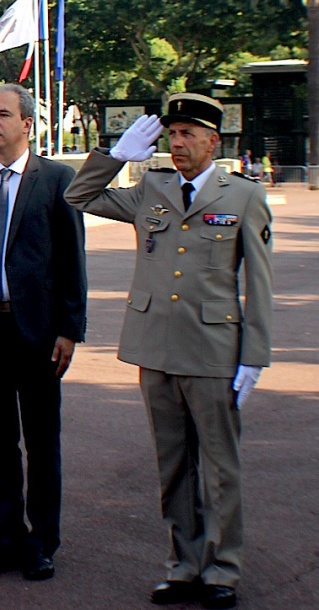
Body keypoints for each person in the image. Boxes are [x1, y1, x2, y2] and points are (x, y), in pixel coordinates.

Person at [64, 94, 272, 610]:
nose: (177, 144)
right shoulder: (152, 188)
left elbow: (259, 283)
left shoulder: (243, 195)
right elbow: (79, 196)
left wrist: (254, 355)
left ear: (213, 142)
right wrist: (116, 155)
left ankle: (222, 569)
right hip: (155, 346)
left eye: (188, 135)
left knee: (220, 467)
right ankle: (184, 564)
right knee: (173, 465)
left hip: (213, 351)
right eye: (172, 134)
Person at [0, 84, 87, 582]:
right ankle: (8, 539)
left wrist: (70, 329)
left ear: (27, 124)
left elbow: (72, 260)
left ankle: (42, 542)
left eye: (3, 114)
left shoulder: (57, 179)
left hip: (38, 333)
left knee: (42, 442)